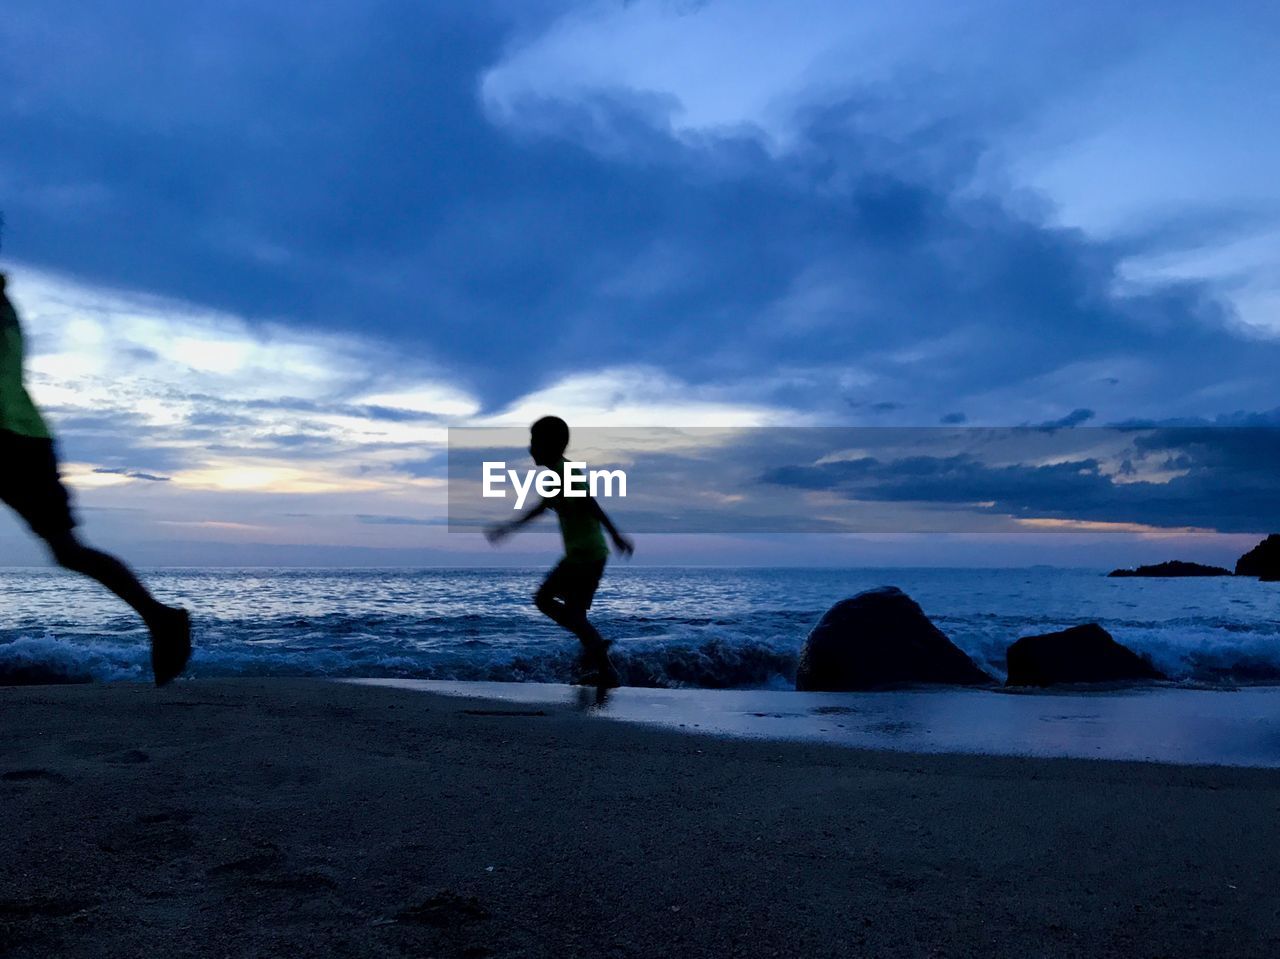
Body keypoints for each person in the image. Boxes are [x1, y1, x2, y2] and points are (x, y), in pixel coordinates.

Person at [0, 271, 191, 685]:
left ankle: (162, 620)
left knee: (67, 550)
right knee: (67, 550)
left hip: (15, 438)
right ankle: (160, 619)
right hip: (26, 438)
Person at [486, 416, 633, 687]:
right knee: (576, 615)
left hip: (585, 555)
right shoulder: (558, 474)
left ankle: (598, 651)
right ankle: (600, 663)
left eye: (534, 442)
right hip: (586, 554)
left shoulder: (565, 473)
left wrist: (616, 535)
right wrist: (509, 528)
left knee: (544, 600)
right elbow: (541, 508)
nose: (530, 449)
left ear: (552, 445)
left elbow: (591, 504)